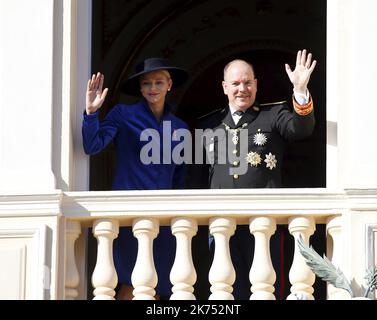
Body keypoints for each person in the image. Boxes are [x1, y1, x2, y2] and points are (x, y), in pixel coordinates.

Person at [198, 49, 317, 299]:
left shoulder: (272, 115)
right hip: (222, 224)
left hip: (264, 224)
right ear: (224, 87)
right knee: (227, 293)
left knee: (267, 290)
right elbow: (196, 175)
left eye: (247, 82)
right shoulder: (208, 124)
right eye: (236, 83)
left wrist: (300, 90)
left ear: (256, 84)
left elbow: (301, 128)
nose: (242, 89)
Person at [82, 58, 189, 299]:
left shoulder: (180, 127)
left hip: (164, 221)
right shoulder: (123, 114)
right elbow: (92, 146)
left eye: (158, 82)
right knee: (130, 285)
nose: (152, 88)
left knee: (161, 287)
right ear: (140, 88)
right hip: (129, 217)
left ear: (169, 85)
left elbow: (180, 178)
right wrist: (91, 113)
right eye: (146, 83)